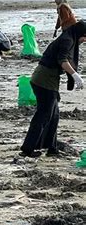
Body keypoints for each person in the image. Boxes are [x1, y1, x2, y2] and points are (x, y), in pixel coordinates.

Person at [20, 21, 85, 158]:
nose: (84, 40)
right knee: (43, 116)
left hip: (49, 80)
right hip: (43, 80)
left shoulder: (70, 38)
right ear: (80, 34)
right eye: (85, 37)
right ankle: (28, 148)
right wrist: (75, 75)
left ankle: (51, 147)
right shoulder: (67, 40)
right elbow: (62, 60)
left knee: (54, 115)